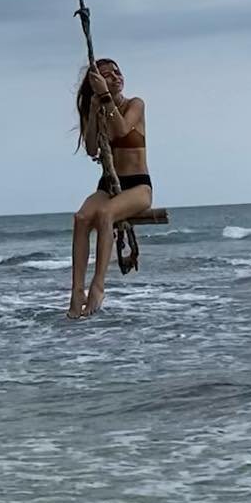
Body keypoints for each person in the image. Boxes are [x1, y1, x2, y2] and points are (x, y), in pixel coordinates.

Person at [68, 58, 150, 318]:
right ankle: (76, 291)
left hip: (137, 184)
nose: (115, 77)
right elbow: (92, 148)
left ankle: (98, 285)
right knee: (81, 218)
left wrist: (105, 95)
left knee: (105, 215)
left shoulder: (135, 104)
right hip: (109, 183)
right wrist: (94, 110)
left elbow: (123, 130)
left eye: (117, 72)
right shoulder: (98, 109)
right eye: (107, 75)